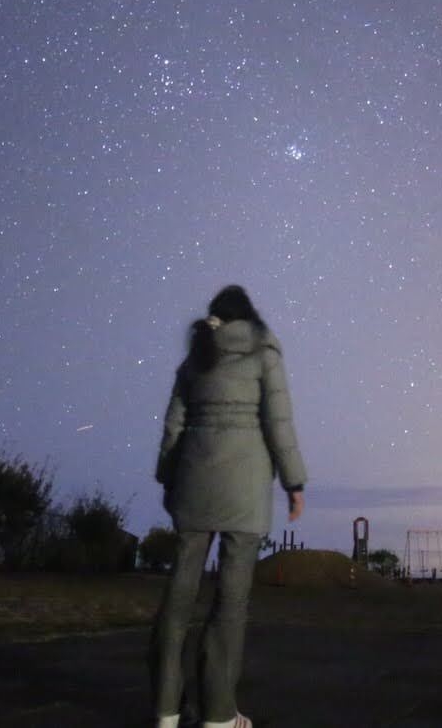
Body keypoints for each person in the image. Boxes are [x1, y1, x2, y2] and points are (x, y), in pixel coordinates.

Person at [151, 285, 307, 728]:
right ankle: (219, 715)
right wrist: (293, 481)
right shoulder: (265, 352)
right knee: (231, 601)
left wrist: (167, 478)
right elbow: (279, 423)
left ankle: (165, 710)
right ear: (249, 316)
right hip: (245, 486)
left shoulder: (195, 357)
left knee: (178, 598)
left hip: (193, 483)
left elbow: (173, 426)